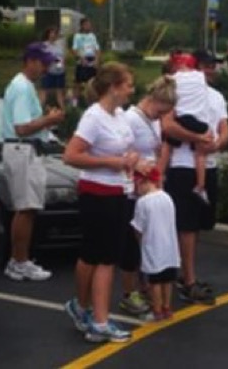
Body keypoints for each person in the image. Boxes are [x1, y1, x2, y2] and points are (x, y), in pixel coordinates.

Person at [63, 62, 137, 343]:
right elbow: (71, 155)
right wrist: (110, 162)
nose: (131, 90)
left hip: (118, 190)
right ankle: (100, 321)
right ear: (114, 87)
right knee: (104, 258)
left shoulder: (119, 115)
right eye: (128, 85)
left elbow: (125, 148)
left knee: (96, 255)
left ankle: (82, 307)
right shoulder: (93, 117)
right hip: (97, 192)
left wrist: (132, 160)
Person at [163, 49, 228, 304]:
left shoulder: (216, 97)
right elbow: (168, 126)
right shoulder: (177, 91)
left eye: (213, 65)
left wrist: (216, 144)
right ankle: (188, 280)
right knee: (186, 226)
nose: (210, 70)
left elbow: (224, 129)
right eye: (206, 65)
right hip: (183, 165)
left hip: (208, 164)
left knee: (199, 224)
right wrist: (197, 138)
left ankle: (187, 273)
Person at [1, 42, 65, 281]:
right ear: (30, 61)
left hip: (26, 149)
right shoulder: (21, 87)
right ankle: (19, 261)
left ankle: (19, 259)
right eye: (43, 63)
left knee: (28, 208)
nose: (46, 68)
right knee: (25, 208)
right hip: (22, 149)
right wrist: (49, 120)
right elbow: (21, 127)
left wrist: (46, 122)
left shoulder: (24, 86)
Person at [119, 76, 178, 315]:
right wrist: (137, 167)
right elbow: (122, 151)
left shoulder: (153, 122)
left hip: (148, 189)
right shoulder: (131, 119)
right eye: (161, 111)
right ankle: (128, 292)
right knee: (131, 243)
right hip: (133, 189)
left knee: (148, 242)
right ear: (153, 100)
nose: (161, 117)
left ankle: (145, 284)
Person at [130, 167, 181, 322]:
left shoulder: (143, 202)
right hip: (170, 247)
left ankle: (157, 310)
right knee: (167, 280)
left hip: (153, 247)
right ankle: (167, 307)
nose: (136, 189)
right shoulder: (167, 197)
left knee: (155, 281)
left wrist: (139, 239)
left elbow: (138, 227)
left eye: (136, 184)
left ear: (143, 181)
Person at [164, 52, 212, 204]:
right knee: (200, 153)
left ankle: (159, 175)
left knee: (167, 145)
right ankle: (201, 185)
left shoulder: (173, 79)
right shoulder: (200, 77)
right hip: (198, 121)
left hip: (181, 118)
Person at [71, 18, 101, 104]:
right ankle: (74, 103)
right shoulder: (77, 36)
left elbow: (97, 49)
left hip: (92, 59)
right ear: (82, 25)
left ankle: (92, 102)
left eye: (89, 24)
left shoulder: (92, 36)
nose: (89, 26)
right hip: (82, 60)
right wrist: (81, 58)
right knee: (78, 83)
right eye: (87, 24)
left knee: (92, 82)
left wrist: (97, 60)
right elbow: (74, 49)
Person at [38, 25, 68, 110]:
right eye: (52, 33)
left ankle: (63, 110)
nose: (53, 35)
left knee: (59, 92)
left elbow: (63, 56)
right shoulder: (44, 45)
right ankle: (39, 109)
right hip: (48, 71)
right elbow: (42, 58)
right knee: (44, 91)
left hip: (60, 71)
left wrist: (63, 63)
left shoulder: (60, 44)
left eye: (55, 33)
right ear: (48, 34)